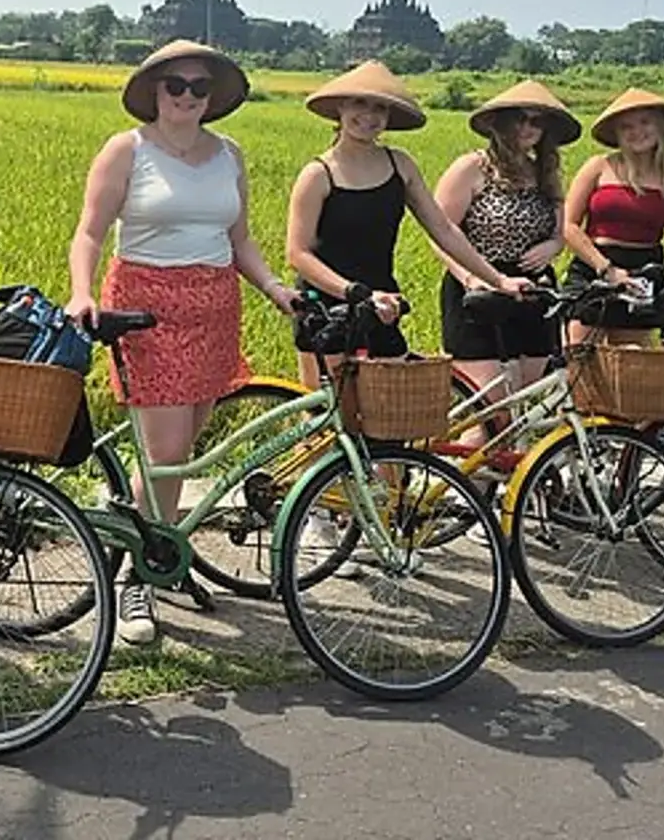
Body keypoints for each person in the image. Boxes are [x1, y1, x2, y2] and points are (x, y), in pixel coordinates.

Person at [64, 40, 300, 645]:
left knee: (183, 450)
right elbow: (90, 232)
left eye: (200, 88)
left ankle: (161, 551)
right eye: (177, 86)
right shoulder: (128, 150)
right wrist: (82, 293)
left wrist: (276, 289)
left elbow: (240, 239)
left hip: (216, 306)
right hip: (146, 306)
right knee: (166, 453)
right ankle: (134, 582)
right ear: (155, 92)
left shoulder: (230, 155)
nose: (188, 97)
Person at [285, 61, 531, 387]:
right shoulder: (318, 174)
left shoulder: (399, 165)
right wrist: (354, 293)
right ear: (340, 108)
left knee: (392, 419)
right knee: (326, 419)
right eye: (359, 103)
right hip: (328, 304)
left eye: (380, 108)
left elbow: (443, 229)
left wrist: (498, 279)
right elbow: (298, 253)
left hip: (383, 303)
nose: (369, 116)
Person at [431, 80, 583, 427]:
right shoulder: (473, 166)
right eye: (519, 119)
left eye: (536, 122)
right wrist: (473, 278)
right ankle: (467, 479)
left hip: (533, 291)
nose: (528, 129)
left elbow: (560, 234)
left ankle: (511, 478)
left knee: (525, 402)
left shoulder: (544, 174)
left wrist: (551, 246)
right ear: (500, 124)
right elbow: (441, 233)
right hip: (478, 290)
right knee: (489, 407)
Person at [561, 87, 664, 343]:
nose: (637, 132)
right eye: (626, 126)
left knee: (632, 365)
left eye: (645, 122)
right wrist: (606, 269)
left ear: (660, 127)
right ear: (617, 134)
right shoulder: (598, 167)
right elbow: (568, 225)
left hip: (644, 271)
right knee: (580, 361)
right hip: (594, 267)